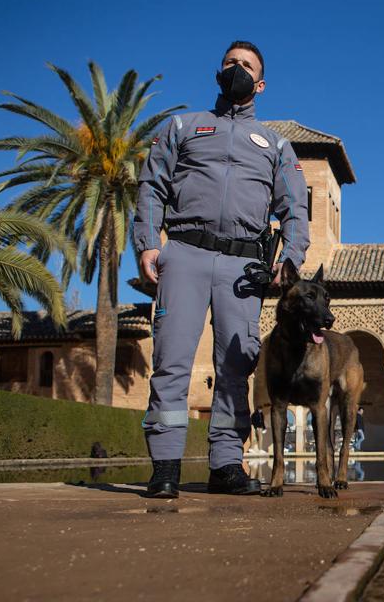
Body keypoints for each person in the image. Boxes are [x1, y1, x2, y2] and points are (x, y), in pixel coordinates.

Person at [133, 41, 310, 498]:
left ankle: (226, 465)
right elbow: (151, 186)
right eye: (231, 63)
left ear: (261, 83)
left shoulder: (276, 145)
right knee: (170, 362)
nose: (238, 70)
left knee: (236, 367)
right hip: (185, 254)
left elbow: (295, 208)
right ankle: (166, 466)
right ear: (218, 71)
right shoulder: (182, 126)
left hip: (244, 265)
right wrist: (148, 244)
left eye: (247, 66)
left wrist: (288, 262)